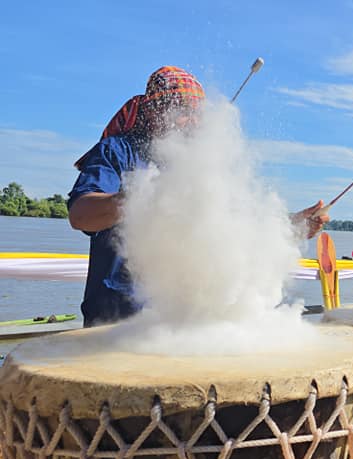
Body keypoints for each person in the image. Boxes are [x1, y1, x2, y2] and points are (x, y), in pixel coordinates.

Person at [68, 66, 329, 327]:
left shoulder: (202, 164)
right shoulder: (117, 150)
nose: (193, 121)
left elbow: (235, 229)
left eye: (198, 113)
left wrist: (290, 229)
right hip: (114, 322)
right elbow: (81, 215)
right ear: (155, 111)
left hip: (180, 323)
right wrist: (144, 194)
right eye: (184, 111)